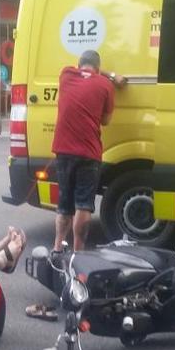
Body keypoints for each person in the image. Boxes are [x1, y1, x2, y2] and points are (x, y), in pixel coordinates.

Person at [52, 50, 127, 253]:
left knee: (64, 203)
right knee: (83, 205)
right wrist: (112, 76)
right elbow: (106, 121)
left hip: (63, 150)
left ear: (79, 65)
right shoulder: (105, 85)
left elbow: (85, 70)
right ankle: (79, 251)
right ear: (98, 67)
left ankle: (57, 247)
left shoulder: (66, 74)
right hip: (88, 152)